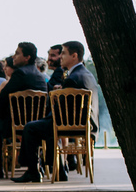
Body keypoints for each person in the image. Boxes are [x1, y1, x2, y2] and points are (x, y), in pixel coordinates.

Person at [15, 40, 100, 183]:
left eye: (64, 53)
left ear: (74, 56)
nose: (61, 57)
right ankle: (59, 170)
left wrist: (54, 101)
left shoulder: (73, 78)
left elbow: (61, 109)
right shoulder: (85, 74)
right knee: (46, 127)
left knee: (30, 127)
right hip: (88, 124)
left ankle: (33, 171)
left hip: (72, 123)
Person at [0, 41, 47, 179]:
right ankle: (37, 166)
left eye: (17, 53)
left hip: (18, 123)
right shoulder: (39, 75)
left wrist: (1, 114)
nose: (14, 56)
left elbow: (3, 96)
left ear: (27, 57)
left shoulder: (20, 73)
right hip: (38, 121)